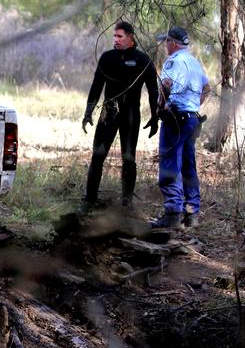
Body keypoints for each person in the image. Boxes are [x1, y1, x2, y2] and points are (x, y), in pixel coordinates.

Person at [82, 21, 159, 209]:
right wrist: (88, 112)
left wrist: (155, 117)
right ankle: (89, 200)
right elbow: (96, 86)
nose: (115, 40)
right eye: (114, 36)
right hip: (109, 111)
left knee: (128, 157)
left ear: (130, 37)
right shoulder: (107, 58)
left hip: (131, 112)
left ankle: (127, 202)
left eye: (120, 36)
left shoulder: (143, 60)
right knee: (98, 155)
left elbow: (153, 90)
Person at [152, 25, 210, 229]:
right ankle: (192, 211)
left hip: (175, 119)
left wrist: (162, 106)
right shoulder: (194, 63)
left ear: (173, 43)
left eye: (166, 42)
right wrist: (194, 105)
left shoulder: (173, 62)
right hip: (192, 119)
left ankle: (173, 213)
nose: (165, 46)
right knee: (188, 164)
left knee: (170, 163)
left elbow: (166, 86)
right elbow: (206, 87)